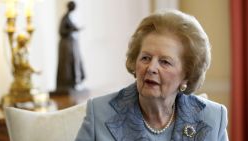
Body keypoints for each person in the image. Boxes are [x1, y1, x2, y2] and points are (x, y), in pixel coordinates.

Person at [75, 10, 228, 141]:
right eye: (145, 58)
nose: (151, 68)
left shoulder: (213, 118)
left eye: (165, 62)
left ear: (186, 75)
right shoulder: (100, 113)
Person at [57, 1, 85, 91]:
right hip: (66, 45)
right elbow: (61, 31)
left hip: (71, 43)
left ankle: (73, 82)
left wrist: (74, 29)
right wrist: (72, 29)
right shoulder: (65, 18)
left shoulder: (69, 17)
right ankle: (66, 83)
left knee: (74, 62)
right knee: (66, 65)